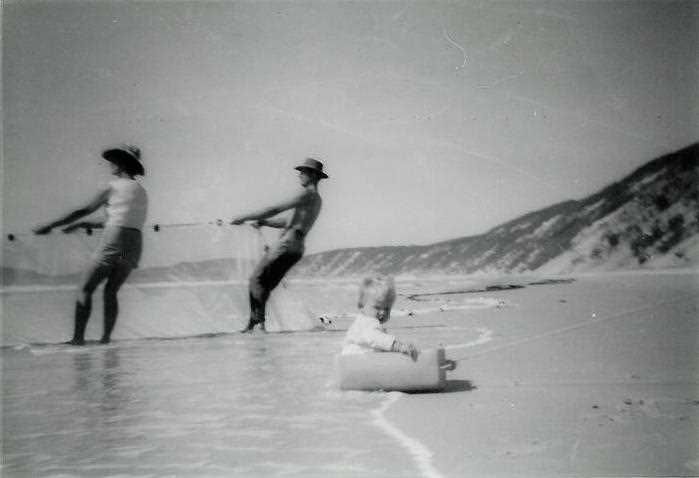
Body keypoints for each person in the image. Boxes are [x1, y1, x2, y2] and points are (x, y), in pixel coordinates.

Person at [34, 145, 148, 345]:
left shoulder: (112, 186)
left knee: (85, 289)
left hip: (114, 241)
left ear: (121, 164)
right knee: (111, 291)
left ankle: (78, 340)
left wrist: (51, 225)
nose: (109, 165)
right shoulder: (142, 191)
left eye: (113, 161)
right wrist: (83, 225)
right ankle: (105, 339)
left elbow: (84, 209)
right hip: (134, 245)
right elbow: (122, 220)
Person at [231, 157, 328, 332]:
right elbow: (287, 221)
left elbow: (275, 209)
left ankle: (254, 325)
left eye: (303, 172)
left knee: (255, 280)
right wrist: (264, 223)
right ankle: (260, 327)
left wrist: (244, 217)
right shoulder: (317, 200)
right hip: (297, 249)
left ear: (313, 175)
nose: (299, 175)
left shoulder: (307, 194)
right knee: (265, 286)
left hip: (286, 244)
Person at [342, 275, 419, 359]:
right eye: (377, 307)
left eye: (387, 308)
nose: (382, 312)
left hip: (355, 359)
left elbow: (376, 342)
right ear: (361, 305)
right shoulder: (367, 323)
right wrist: (398, 346)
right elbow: (376, 338)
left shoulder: (362, 321)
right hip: (356, 360)